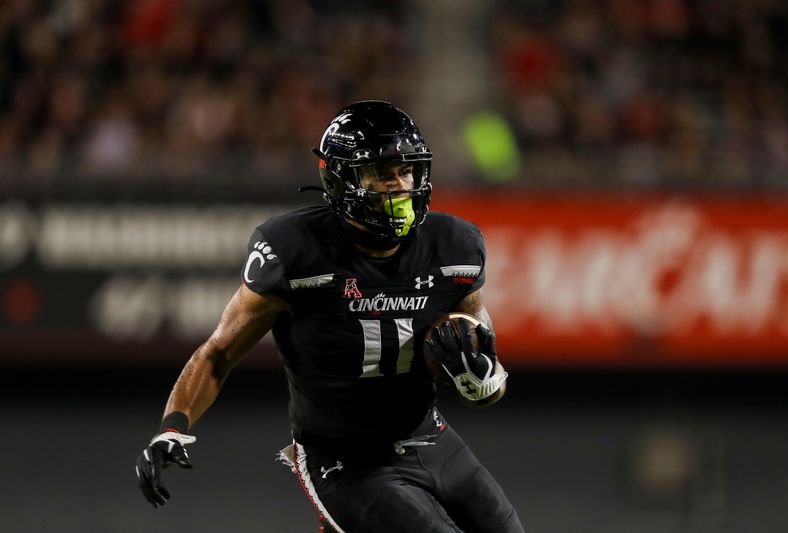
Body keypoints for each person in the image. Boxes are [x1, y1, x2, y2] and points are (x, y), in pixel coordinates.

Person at [135, 100, 525, 532]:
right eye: (381, 173)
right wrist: (172, 427)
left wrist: (483, 376)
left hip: (429, 436)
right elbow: (218, 354)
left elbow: (487, 373)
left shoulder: (456, 245)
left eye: (406, 171)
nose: (399, 186)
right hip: (342, 457)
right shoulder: (294, 251)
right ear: (340, 180)